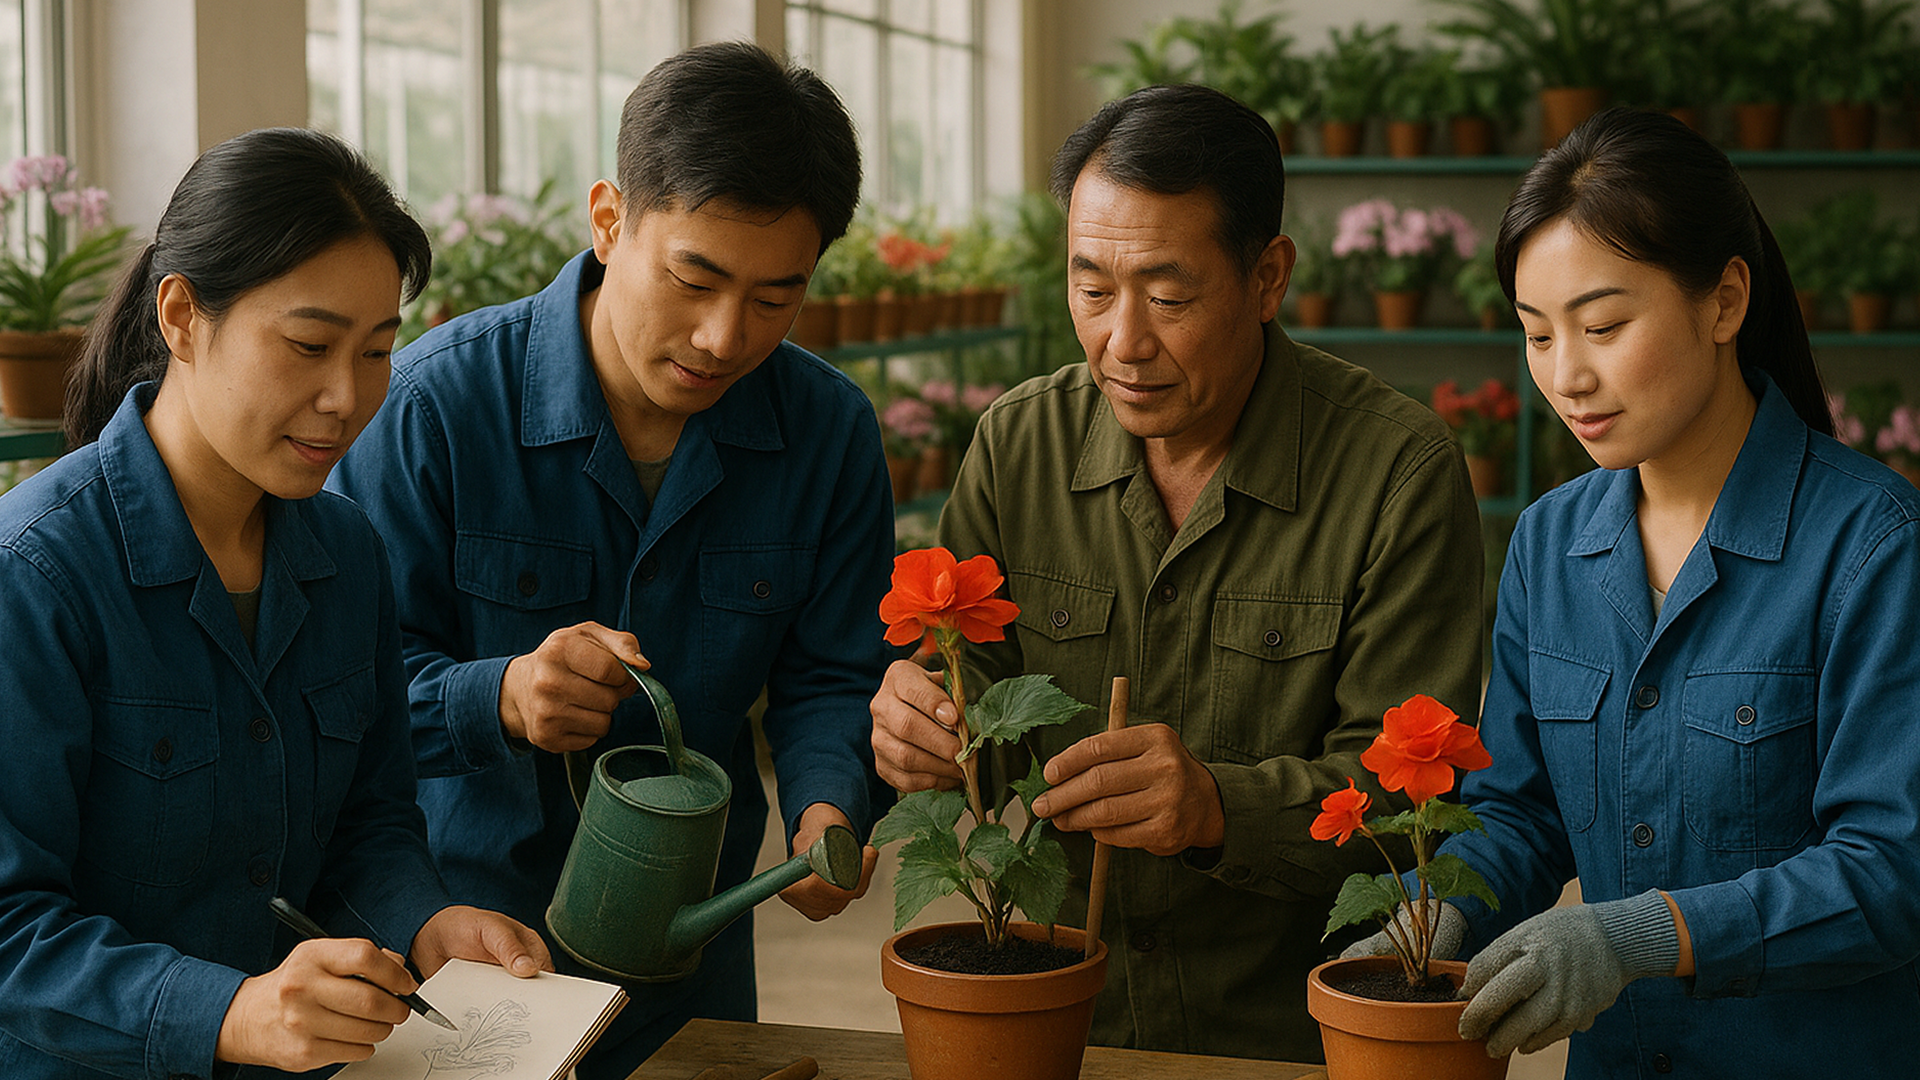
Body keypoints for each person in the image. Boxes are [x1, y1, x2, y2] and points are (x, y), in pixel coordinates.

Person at [867, 83, 1486, 1063]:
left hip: (1288, 1034)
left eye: (1167, 297)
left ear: (1267, 276)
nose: (1122, 341)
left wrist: (1215, 808)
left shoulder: (1393, 471)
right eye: (1090, 288)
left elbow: (1409, 803)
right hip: (1052, 1011)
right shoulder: (1017, 446)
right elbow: (971, 711)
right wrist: (919, 726)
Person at [328, 41, 892, 1076]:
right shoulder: (434, 408)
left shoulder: (828, 433)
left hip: (691, 948)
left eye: (777, 299)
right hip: (463, 947)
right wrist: (499, 696)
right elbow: (335, 696)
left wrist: (829, 799)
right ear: (608, 218)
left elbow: (835, 673)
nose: (726, 336)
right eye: (696, 279)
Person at [1348, 107, 1920, 1074]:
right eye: (1536, 336)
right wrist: (1428, 923)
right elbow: (1519, 813)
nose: (1567, 376)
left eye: (1604, 325)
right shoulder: (1549, 543)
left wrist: (1645, 935)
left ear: (1725, 301)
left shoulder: (1873, 546)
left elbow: (1895, 870)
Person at [0, 127, 551, 1080]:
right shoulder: (37, 573)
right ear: (181, 317)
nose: (346, 397)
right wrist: (229, 1012)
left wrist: (424, 921)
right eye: (308, 345)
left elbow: (370, 823)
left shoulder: (346, 555)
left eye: (378, 351)